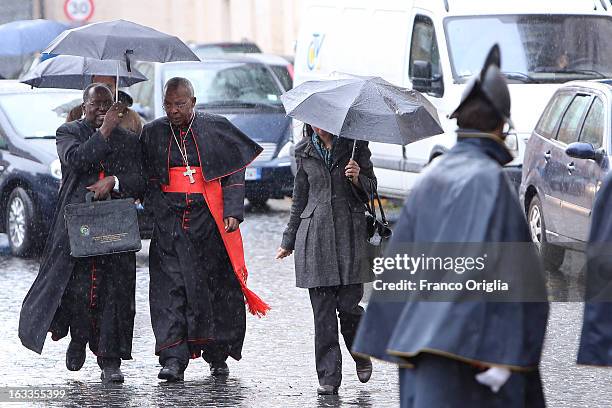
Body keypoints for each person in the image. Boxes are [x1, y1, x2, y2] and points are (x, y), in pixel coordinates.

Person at [352, 44, 550, 407]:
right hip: (470, 362)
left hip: (419, 354)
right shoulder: (491, 182)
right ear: (499, 126)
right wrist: (508, 353)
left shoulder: (430, 177)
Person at [140, 77, 269, 382]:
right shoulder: (153, 132)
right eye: (168, 104)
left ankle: (217, 355)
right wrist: (158, 210)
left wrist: (234, 211)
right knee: (169, 292)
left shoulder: (215, 127)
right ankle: (173, 357)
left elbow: (235, 170)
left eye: (180, 104)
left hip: (209, 224)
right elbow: (145, 178)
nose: (173, 110)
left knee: (215, 292)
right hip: (170, 225)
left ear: (193, 102)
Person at [18, 83, 144, 383]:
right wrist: (103, 132)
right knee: (76, 290)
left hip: (114, 227)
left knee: (113, 293)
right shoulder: (69, 133)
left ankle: (110, 360)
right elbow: (76, 160)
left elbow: (139, 180)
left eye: (107, 105)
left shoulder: (127, 139)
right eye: (95, 104)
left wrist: (113, 181)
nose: (101, 109)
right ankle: (78, 336)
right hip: (76, 225)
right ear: (84, 106)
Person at [276, 124, 376, 395]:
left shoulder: (355, 145)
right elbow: (299, 198)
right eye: (314, 121)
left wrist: (358, 178)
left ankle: (360, 350)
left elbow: (372, 190)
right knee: (323, 314)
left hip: (349, 236)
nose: (320, 126)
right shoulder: (303, 151)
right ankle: (329, 376)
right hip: (315, 237)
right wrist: (289, 240)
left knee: (349, 306)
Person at [66, 75, 143, 135]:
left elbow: (139, 149)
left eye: (109, 86)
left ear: (116, 86)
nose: (103, 90)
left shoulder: (131, 116)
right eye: (98, 85)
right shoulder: (75, 114)